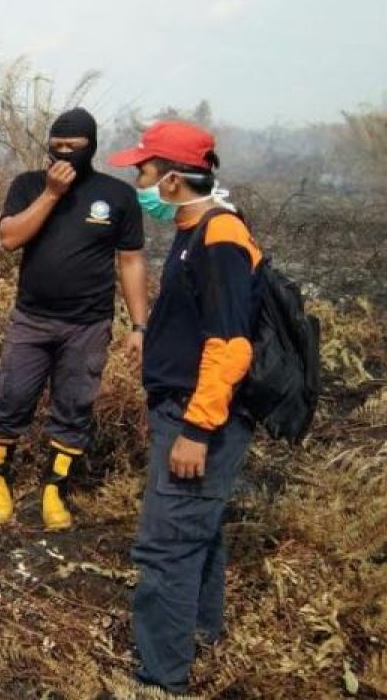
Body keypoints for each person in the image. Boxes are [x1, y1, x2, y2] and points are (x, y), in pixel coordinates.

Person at [108, 120, 261, 695]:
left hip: (202, 418)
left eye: (143, 171)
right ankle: (200, 632)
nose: (138, 181)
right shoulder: (196, 228)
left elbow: (230, 343)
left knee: (167, 545)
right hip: (186, 409)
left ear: (171, 179)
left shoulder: (218, 238)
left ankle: (160, 677)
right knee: (200, 529)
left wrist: (196, 427)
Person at [0, 108, 148, 530]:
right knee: (12, 398)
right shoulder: (27, 186)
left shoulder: (117, 197)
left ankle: (54, 490)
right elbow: (9, 238)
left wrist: (139, 326)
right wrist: (52, 194)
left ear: (91, 147)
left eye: (75, 149)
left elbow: (130, 261)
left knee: (74, 406)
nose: (65, 154)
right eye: (57, 147)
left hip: (87, 325)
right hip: (32, 319)